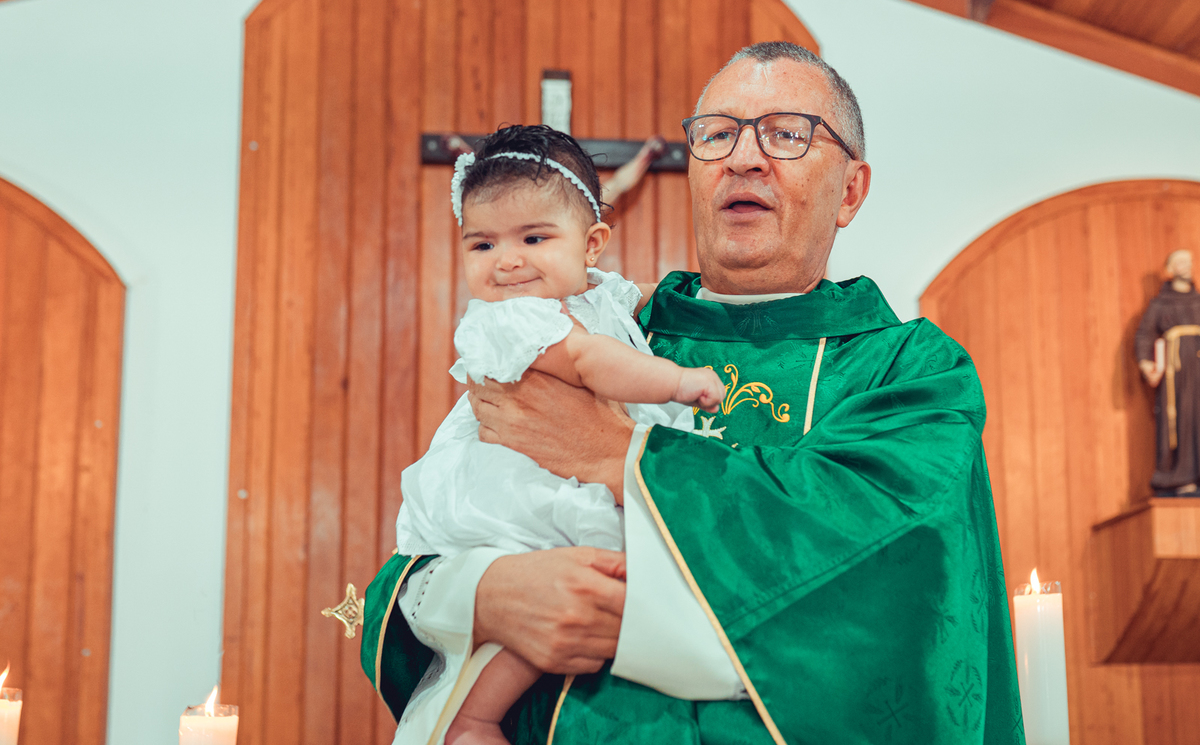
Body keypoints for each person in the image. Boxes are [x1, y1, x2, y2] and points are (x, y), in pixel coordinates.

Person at [362, 41, 1024, 744]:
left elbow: (891, 582)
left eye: (786, 133)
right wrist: (486, 597)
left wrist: (618, 454)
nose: (743, 158)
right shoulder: (597, 333)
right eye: (716, 135)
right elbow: (436, 530)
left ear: (851, 191)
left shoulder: (912, 373)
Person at [390, 124, 726, 745]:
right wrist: (678, 381)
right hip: (517, 487)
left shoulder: (595, 293)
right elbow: (592, 362)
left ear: (592, 244)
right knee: (549, 594)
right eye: (482, 244)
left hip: (556, 475)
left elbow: (637, 301)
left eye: (533, 237)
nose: (507, 260)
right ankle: (474, 720)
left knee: (571, 595)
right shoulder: (516, 318)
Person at [1135, 249, 1200, 496]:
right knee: (1181, 421)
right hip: (1177, 374)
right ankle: (1182, 478)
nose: (1186, 266)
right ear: (1170, 270)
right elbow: (1144, 335)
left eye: (1189, 261)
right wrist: (1145, 364)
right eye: (1180, 262)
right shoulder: (1160, 304)